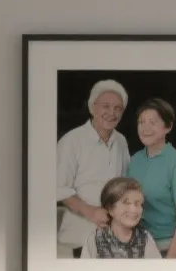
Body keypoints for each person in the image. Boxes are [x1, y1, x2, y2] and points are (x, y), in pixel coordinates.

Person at [56, 79, 131, 257]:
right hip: (81, 237)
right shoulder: (71, 140)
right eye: (105, 106)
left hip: (115, 237)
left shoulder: (121, 141)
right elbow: (58, 188)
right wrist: (90, 212)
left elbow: (127, 183)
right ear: (92, 107)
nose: (112, 113)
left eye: (118, 108)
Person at [124, 98, 176, 259]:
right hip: (139, 244)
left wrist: (167, 265)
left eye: (152, 122)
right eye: (141, 122)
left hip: (170, 245)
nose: (145, 128)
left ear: (167, 127)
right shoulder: (135, 160)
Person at [89, 177, 163, 260]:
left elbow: (155, 270)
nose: (133, 209)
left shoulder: (145, 238)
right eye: (126, 203)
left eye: (138, 204)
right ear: (110, 209)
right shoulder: (95, 239)